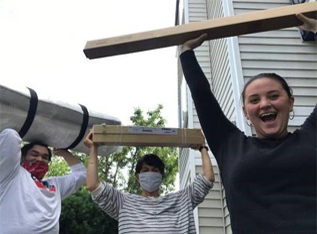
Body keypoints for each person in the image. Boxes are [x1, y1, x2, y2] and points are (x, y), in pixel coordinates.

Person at [179, 17, 316, 234]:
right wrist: (186, 52)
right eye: (254, 100)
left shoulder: (312, 135)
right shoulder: (230, 145)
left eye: (273, 96)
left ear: (290, 102)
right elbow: (202, 97)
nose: (264, 104)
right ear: (245, 112)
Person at [84, 131, 215, 234]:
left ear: (161, 176)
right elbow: (93, 185)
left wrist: (203, 148)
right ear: (137, 176)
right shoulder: (123, 203)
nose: (150, 173)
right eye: (145, 170)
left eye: (154, 170)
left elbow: (207, 178)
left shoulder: (182, 200)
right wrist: (93, 149)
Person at [0, 128, 87, 234]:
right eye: (34, 154)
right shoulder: (11, 174)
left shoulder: (55, 185)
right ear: (22, 157)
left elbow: (82, 175)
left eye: (45, 157)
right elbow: (10, 135)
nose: (40, 159)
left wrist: (64, 153)